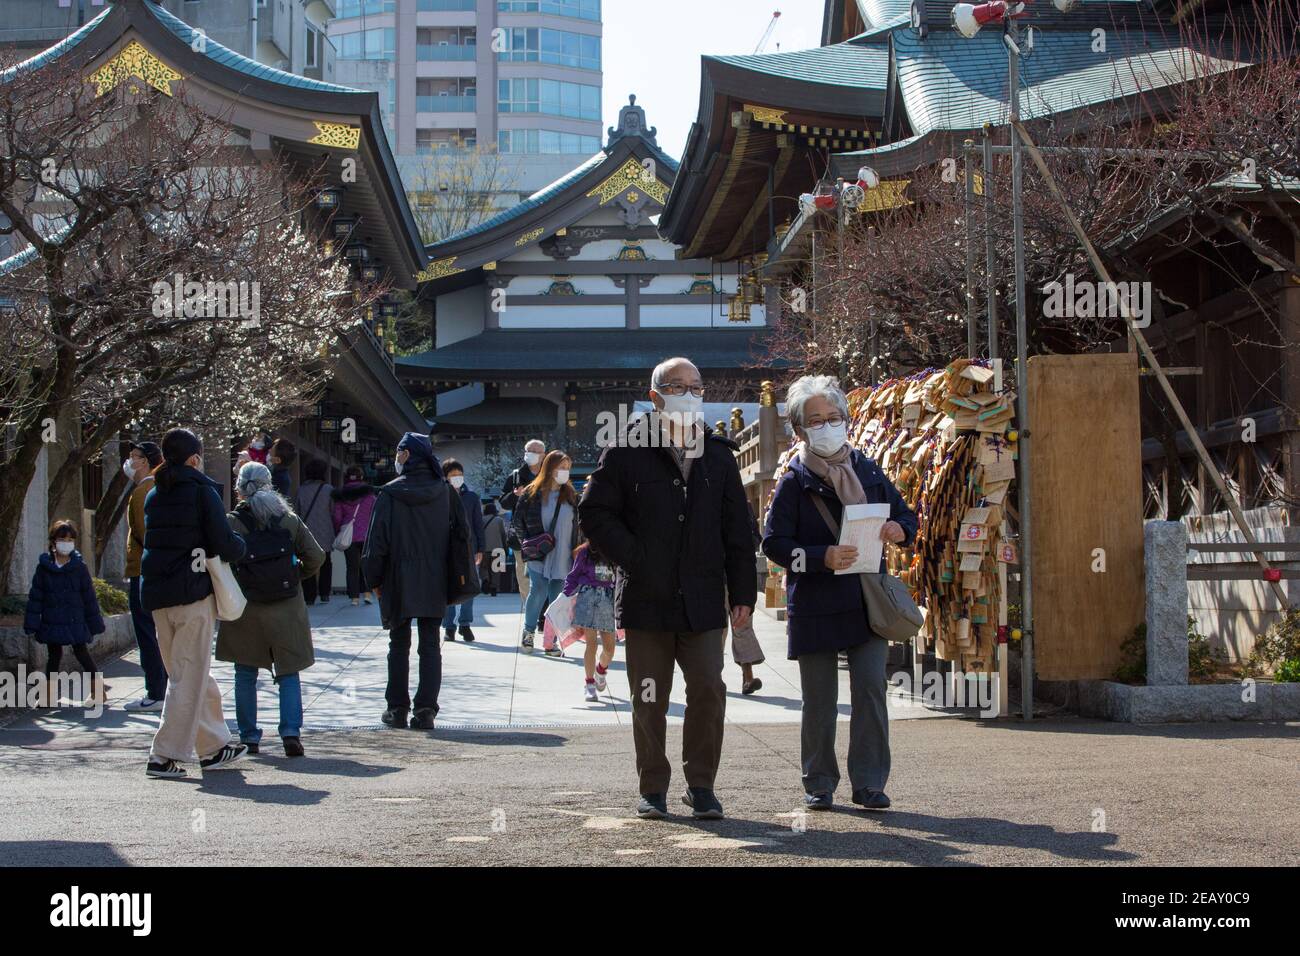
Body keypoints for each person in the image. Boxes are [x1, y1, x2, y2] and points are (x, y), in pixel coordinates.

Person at [579, 357, 756, 821]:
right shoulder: (624, 450)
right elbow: (594, 513)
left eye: (696, 386)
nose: (690, 394)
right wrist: (634, 557)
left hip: (702, 599)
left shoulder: (718, 453)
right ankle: (652, 786)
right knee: (649, 695)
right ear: (655, 396)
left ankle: (701, 786)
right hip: (646, 599)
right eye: (679, 386)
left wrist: (743, 593)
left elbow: (738, 528)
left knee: (707, 689)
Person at [761, 375, 918, 812]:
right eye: (816, 420)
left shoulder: (866, 468)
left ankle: (869, 782)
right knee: (820, 700)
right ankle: (819, 781)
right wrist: (820, 556)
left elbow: (907, 516)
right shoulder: (793, 481)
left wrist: (898, 530)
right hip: (815, 604)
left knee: (871, 690)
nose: (827, 426)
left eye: (833, 418)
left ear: (845, 420)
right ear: (800, 430)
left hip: (865, 599)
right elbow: (773, 545)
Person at [140, 428, 248, 779]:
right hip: (192, 594)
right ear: (195, 458)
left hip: (158, 597)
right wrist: (241, 547)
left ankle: (214, 747)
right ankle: (163, 755)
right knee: (187, 678)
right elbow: (222, 542)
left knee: (188, 672)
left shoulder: (154, 495)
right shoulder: (202, 491)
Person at [216, 462, 325, 758]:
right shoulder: (288, 519)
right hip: (286, 606)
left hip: (246, 607)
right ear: (270, 485)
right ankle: (290, 733)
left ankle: (249, 737)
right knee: (289, 672)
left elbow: (218, 561)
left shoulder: (231, 523)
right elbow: (316, 556)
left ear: (240, 487)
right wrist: (294, 576)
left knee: (245, 672)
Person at [363, 433, 459, 731]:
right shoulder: (445, 492)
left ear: (407, 455)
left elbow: (376, 542)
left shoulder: (390, 494)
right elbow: (461, 537)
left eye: (399, 451)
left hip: (397, 576)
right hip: (434, 576)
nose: (396, 456)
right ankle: (426, 709)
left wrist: (373, 578)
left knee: (398, 643)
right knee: (430, 644)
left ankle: (397, 708)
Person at [24, 519, 105, 708]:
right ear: (53, 541)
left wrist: (95, 623)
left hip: (75, 619)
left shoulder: (79, 567)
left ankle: (98, 692)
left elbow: (89, 597)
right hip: (52, 620)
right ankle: (48, 696)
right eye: (62, 538)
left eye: (70, 539)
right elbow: (36, 598)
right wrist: (32, 623)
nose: (66, 543)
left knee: (82, 653)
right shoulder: (44, 568)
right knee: (54, 657)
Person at [511, 450, 578, 655]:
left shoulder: (571, 495)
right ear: (550, 468)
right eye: (561, 468)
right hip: (538, 553)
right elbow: (517, 522)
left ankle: (551, 640)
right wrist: (528, 543)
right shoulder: (532, 492)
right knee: (538, 590)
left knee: (557, 597)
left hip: (563, 553)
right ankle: (528, 633)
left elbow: (577, 523)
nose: (565, 472)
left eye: (567, 468)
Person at [122, 440, 168, 711]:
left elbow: (142, 531)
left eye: (135, 457)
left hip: (143, 569)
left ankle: (156, 690)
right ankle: (163, 688)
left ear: (147, 461)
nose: (130, 461)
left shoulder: (143, 491)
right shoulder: (157, 487)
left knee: (146, 632)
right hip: (155, 570)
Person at [563, 540, 616, 702]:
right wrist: (564, 596)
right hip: (588, 598)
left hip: (607, 599)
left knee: (609, 648)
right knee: (591, 644)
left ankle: (601, 670)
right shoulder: (585, 552)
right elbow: (574, 575)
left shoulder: (615, 550)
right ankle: (589, 684)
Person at [440, 458, 485, 643]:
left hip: (468, 548)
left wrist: (481, 548)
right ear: (445, 476)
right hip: (445, 548)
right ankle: (449, 626)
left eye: (459, 474)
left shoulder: (472, 497)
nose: (457, 478)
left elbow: (478, 525)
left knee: (469, 587)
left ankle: (465, 624)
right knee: (447, 588)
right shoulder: (440, 495)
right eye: (453, 475)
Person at [500, 439, 545, 600]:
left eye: (535, 451)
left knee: (546, 576)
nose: (531, 454)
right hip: (522, 535)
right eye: (528, 450)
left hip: (546, 533)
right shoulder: (516, 476)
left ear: (543, 455)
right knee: (524, 577)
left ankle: (543, 614)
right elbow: (503, 502)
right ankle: (529, 612)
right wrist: (515, 495)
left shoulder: (549, 475)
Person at [731, 500, 766, 695]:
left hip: (739, 577)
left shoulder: (743, 505)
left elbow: (755, 538)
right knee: (714, 630)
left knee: (742, 626)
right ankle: (712, 677)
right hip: (713, 577)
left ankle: (748, 676)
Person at [332, 465, 377, 606]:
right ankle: (368, 594)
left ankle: (354, 598)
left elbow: (337, 517)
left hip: (348, 535)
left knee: (351, 567)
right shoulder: (370, 496)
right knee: (366, 566)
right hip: (367, 535)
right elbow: (376, 514)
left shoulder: (340, 496)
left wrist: (338, 529)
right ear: (361, 477)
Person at [295, 458, 335, 605]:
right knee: (326, 562)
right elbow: (333, 511)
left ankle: (309, 595)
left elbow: (297, 511)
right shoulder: (329, 490)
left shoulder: (301, 490)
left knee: (307, 561)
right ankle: (325, 593)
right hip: (325, 530)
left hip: (307, 531)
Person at [480, 500, 508, 597]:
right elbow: (503, 535)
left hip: (484, 548)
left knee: (484, 567)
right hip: (498, 548)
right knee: (496, 570)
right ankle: (494, 588)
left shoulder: (481, 520)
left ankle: (485, 581)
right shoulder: (499, 520)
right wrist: (505, 548)